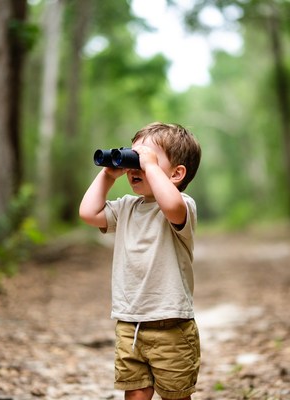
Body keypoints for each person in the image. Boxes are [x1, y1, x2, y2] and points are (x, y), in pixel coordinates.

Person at [79, 122, 202, 400]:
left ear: (176, 173)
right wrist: (108, 176)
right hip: (129, 324)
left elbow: (171, 206)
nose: (137, 166)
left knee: (176, 395)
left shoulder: (182, 205)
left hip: (171, 327)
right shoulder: (125, 208)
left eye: (147, 159)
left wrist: (150, 167)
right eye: (133, 157)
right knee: (135, 393)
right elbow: (88, 212)